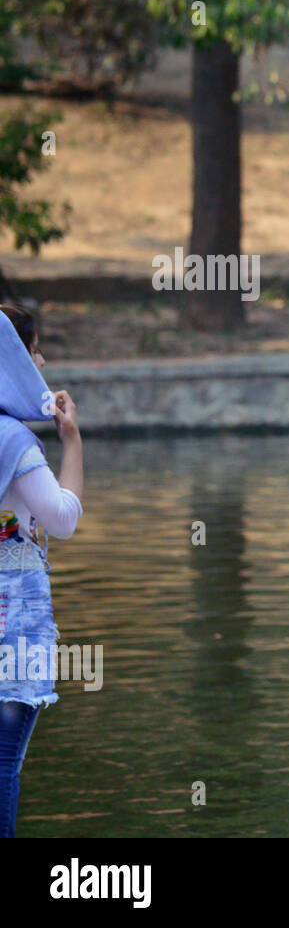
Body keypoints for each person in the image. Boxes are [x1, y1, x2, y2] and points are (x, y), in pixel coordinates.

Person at [0, 304, 83, 838]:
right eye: (33, 351)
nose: (42, 360)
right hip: (13, 633)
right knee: (4, 764)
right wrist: (72, 439)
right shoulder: (13, 441)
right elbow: (63, 517)